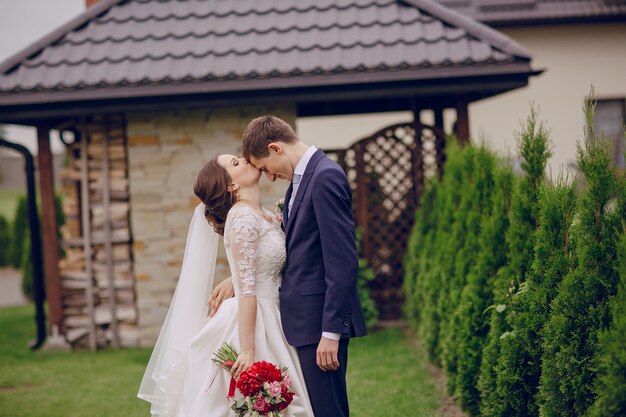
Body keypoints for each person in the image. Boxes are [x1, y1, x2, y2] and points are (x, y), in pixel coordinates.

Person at [212, 116, 368, 417]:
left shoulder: (324, 177)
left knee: (328, 411)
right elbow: (296, 250)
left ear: (276, 148)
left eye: (265, 167)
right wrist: (240, 277)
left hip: (319, 326)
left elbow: (343, 261)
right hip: (301, 324)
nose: (268, 176)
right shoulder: (299, 181)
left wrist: (331, 333)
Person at [138, 155, 314, 417]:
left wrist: (234, 277)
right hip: (253, 320)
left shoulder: (264, 214)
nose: (244, 160)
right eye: (235, 163)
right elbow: (248, 291)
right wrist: (248, 349)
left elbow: (263, 264)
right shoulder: (242, 217)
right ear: (231, 186)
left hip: (277, 314)